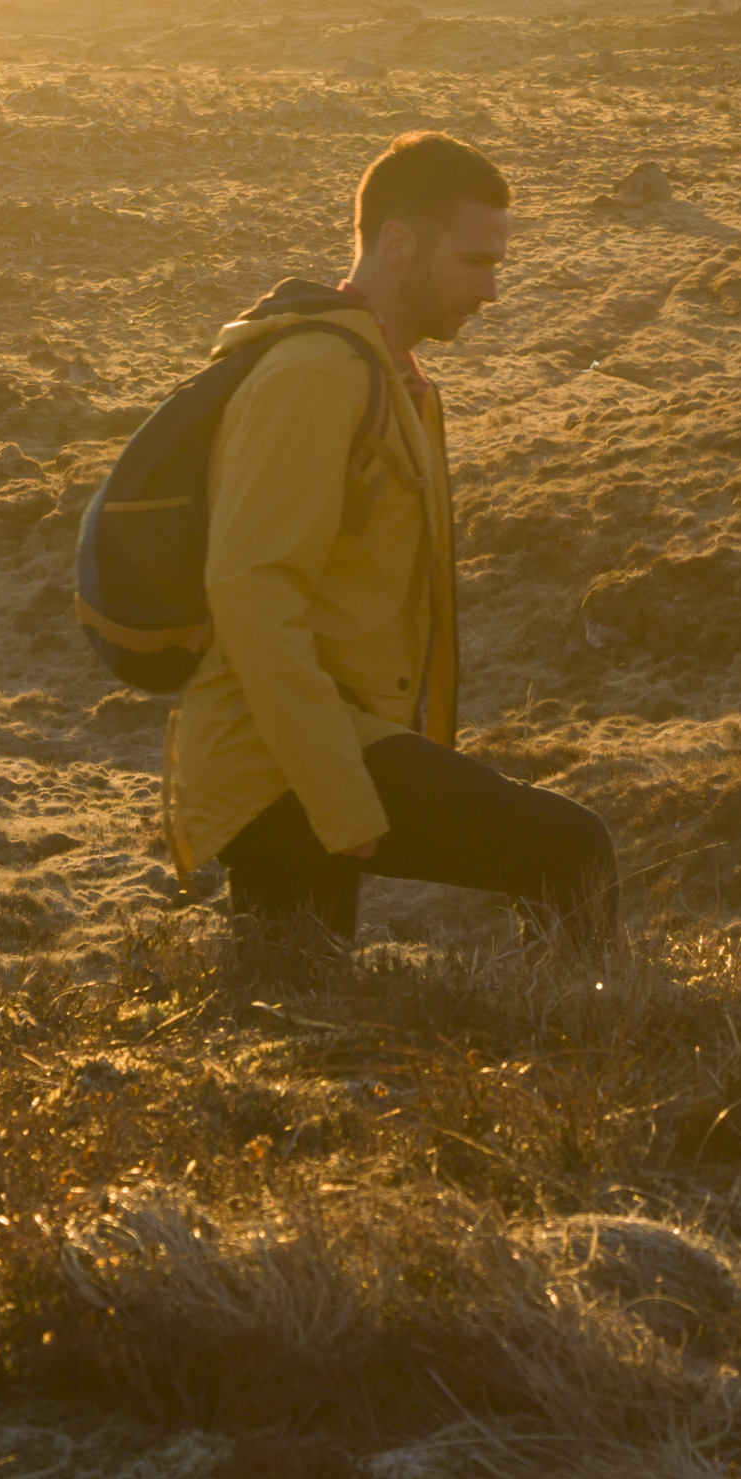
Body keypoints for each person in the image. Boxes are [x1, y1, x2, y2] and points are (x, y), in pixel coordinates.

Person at [164, 128, 619, 964]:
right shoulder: (319, 375)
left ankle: (565, 1069)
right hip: (282, 763)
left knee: (296, 1003)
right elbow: (250, 588)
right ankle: (596, 1055)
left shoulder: (388, 376)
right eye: (475, 262)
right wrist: (340, 794)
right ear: (398, 244)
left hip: (315, 748)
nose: (491, 289)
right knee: (570, 853)